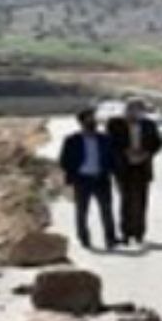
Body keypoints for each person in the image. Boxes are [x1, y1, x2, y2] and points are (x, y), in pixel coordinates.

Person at [58, 107, 118, 250]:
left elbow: (112, 158)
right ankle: (84, 238)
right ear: (82, 122)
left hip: (101, 178)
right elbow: (64, 160)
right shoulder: (72, 140)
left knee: (107, 210)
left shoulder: (105, 139)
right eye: (89, 119)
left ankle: (110, 239)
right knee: (82, 210)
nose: (93, 121)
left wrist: (110, 171)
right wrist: (74, 174)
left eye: (94, 118)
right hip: (82, 180)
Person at [106, 97, 161, 245]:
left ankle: (139, 233)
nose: (136, 112)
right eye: (133, 109)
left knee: (141, 201)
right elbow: (111, 143)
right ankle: (126, 232)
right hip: (124, 168)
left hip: (142, 167)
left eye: (139, 109)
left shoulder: (149, 125)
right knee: (126, 201)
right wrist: (125, 153)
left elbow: (157, 143)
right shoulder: (115, 124)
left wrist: (146, 153)